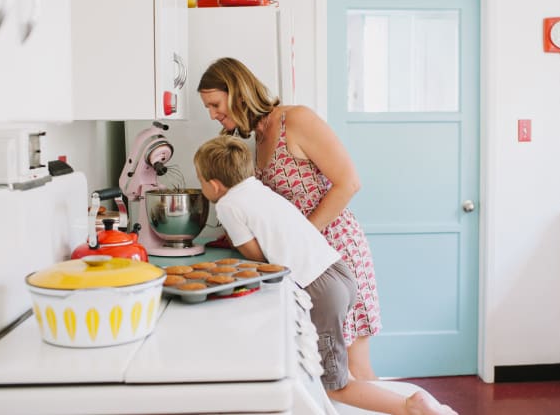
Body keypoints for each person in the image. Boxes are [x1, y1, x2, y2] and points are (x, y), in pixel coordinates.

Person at [193, 135, 456, 415]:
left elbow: (256, 255)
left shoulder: (227, 205)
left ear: (213, 185)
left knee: (335, 383)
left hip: (319, 288)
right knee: (322, 365)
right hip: (338, 270)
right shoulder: (258, 189)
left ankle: (411, 407)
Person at [198, 57, 380, 380]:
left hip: (336, 252)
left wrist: (302, 237)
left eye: (214, 103)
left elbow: (349, 182)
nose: (212, 114)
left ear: (237, 91)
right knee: (325, 372)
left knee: (353, 370)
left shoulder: (295, 120)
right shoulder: (257, 139)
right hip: (308, 262)